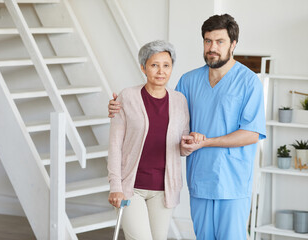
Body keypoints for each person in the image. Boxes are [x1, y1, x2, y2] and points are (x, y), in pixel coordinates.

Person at [108, 14, 266, 240]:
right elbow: (166, 117)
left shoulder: (249, 82)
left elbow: (252, 133)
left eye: (220, 41)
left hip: (232, 182)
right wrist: (117, 107)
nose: (213, 47)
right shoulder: (188, 81)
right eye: (208, 41)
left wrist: (208, 142)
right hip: (200, 179)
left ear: (233, 44)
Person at [107, 40, 205, 240]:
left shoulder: (179, 101)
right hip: (131, 188)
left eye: (166, 65)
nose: (161, 71)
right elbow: (115, 146)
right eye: (154, 65)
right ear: (143, 67)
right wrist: (115, 187)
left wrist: (190, 144)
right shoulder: (127, 97)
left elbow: (181, 147)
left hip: (164, 189)